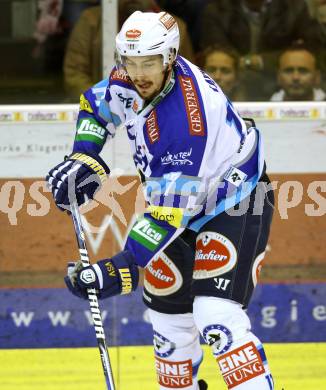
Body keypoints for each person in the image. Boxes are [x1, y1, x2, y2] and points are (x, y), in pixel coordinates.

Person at [46, 11, 275, 390]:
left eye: (148, 62)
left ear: (169, 57)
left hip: (232, 203)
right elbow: (95, 106)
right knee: (167, 318)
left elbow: (166, 219)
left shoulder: (186, 120)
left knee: (214, 313)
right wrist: (84, 156)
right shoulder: (136, 74)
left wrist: (118, 269)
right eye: (130, 61)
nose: (137, 73)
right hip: (177, 204)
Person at [64, 0, 195, 100]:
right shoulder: (90, 21)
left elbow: (186, 80)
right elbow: (74, 74)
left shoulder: (175, 29)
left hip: (159, 111)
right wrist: (105, 103)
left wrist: (155, 106)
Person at [197, 0, 321, 100]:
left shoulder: (293, 8)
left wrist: (260, 61)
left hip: (280, 80)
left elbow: (308, 52)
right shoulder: (217, 10)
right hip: (234, 84)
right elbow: (218, 53)